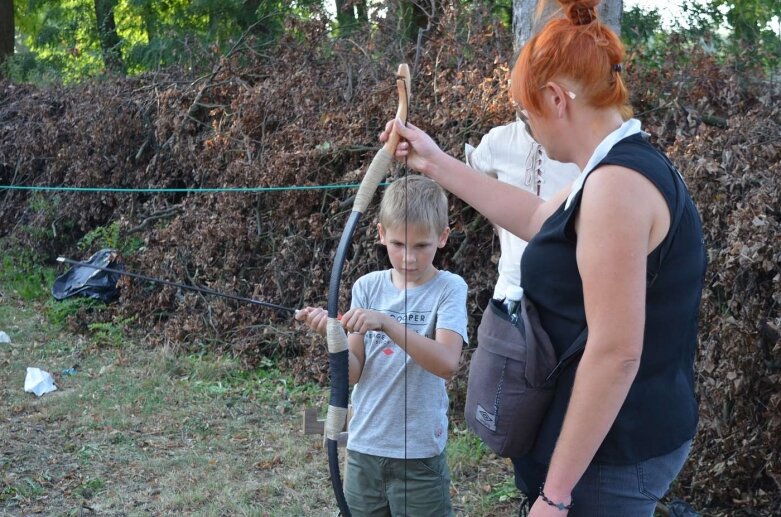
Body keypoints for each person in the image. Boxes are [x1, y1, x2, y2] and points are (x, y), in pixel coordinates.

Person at [379, 0, 708, 515]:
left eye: (528, 114)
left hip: (609, 459)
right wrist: (432, 161)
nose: (528, 128)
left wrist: (555, 496)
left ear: (556, 99)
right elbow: (536, 220)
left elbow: (615, 353)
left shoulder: (616, 189)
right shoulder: (611, 169)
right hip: (605, 448)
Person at [295, 174, 468, 516]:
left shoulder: (449, 288)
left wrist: (387, 323)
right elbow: (355, 372)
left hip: (419, 455)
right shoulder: (367, 287)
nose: (409, 258)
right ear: (380, 235)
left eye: (422, 246)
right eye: (398, 245)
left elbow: (447, 363)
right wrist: (333, 338)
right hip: (364, 448)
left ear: (443, 238)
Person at [465, 118, 580, 301]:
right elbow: (478, 180)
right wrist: (503, 228)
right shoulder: (498, 141)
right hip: (508, 293)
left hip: (567, 299)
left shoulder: (587, 145)